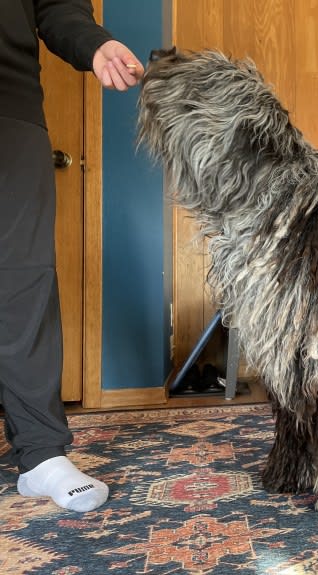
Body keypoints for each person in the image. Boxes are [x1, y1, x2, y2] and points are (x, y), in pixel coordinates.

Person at [0, 0, 144, 512]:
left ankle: (41, 457)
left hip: (9, 105)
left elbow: (59, 5)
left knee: (22, 280)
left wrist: (94, 42)